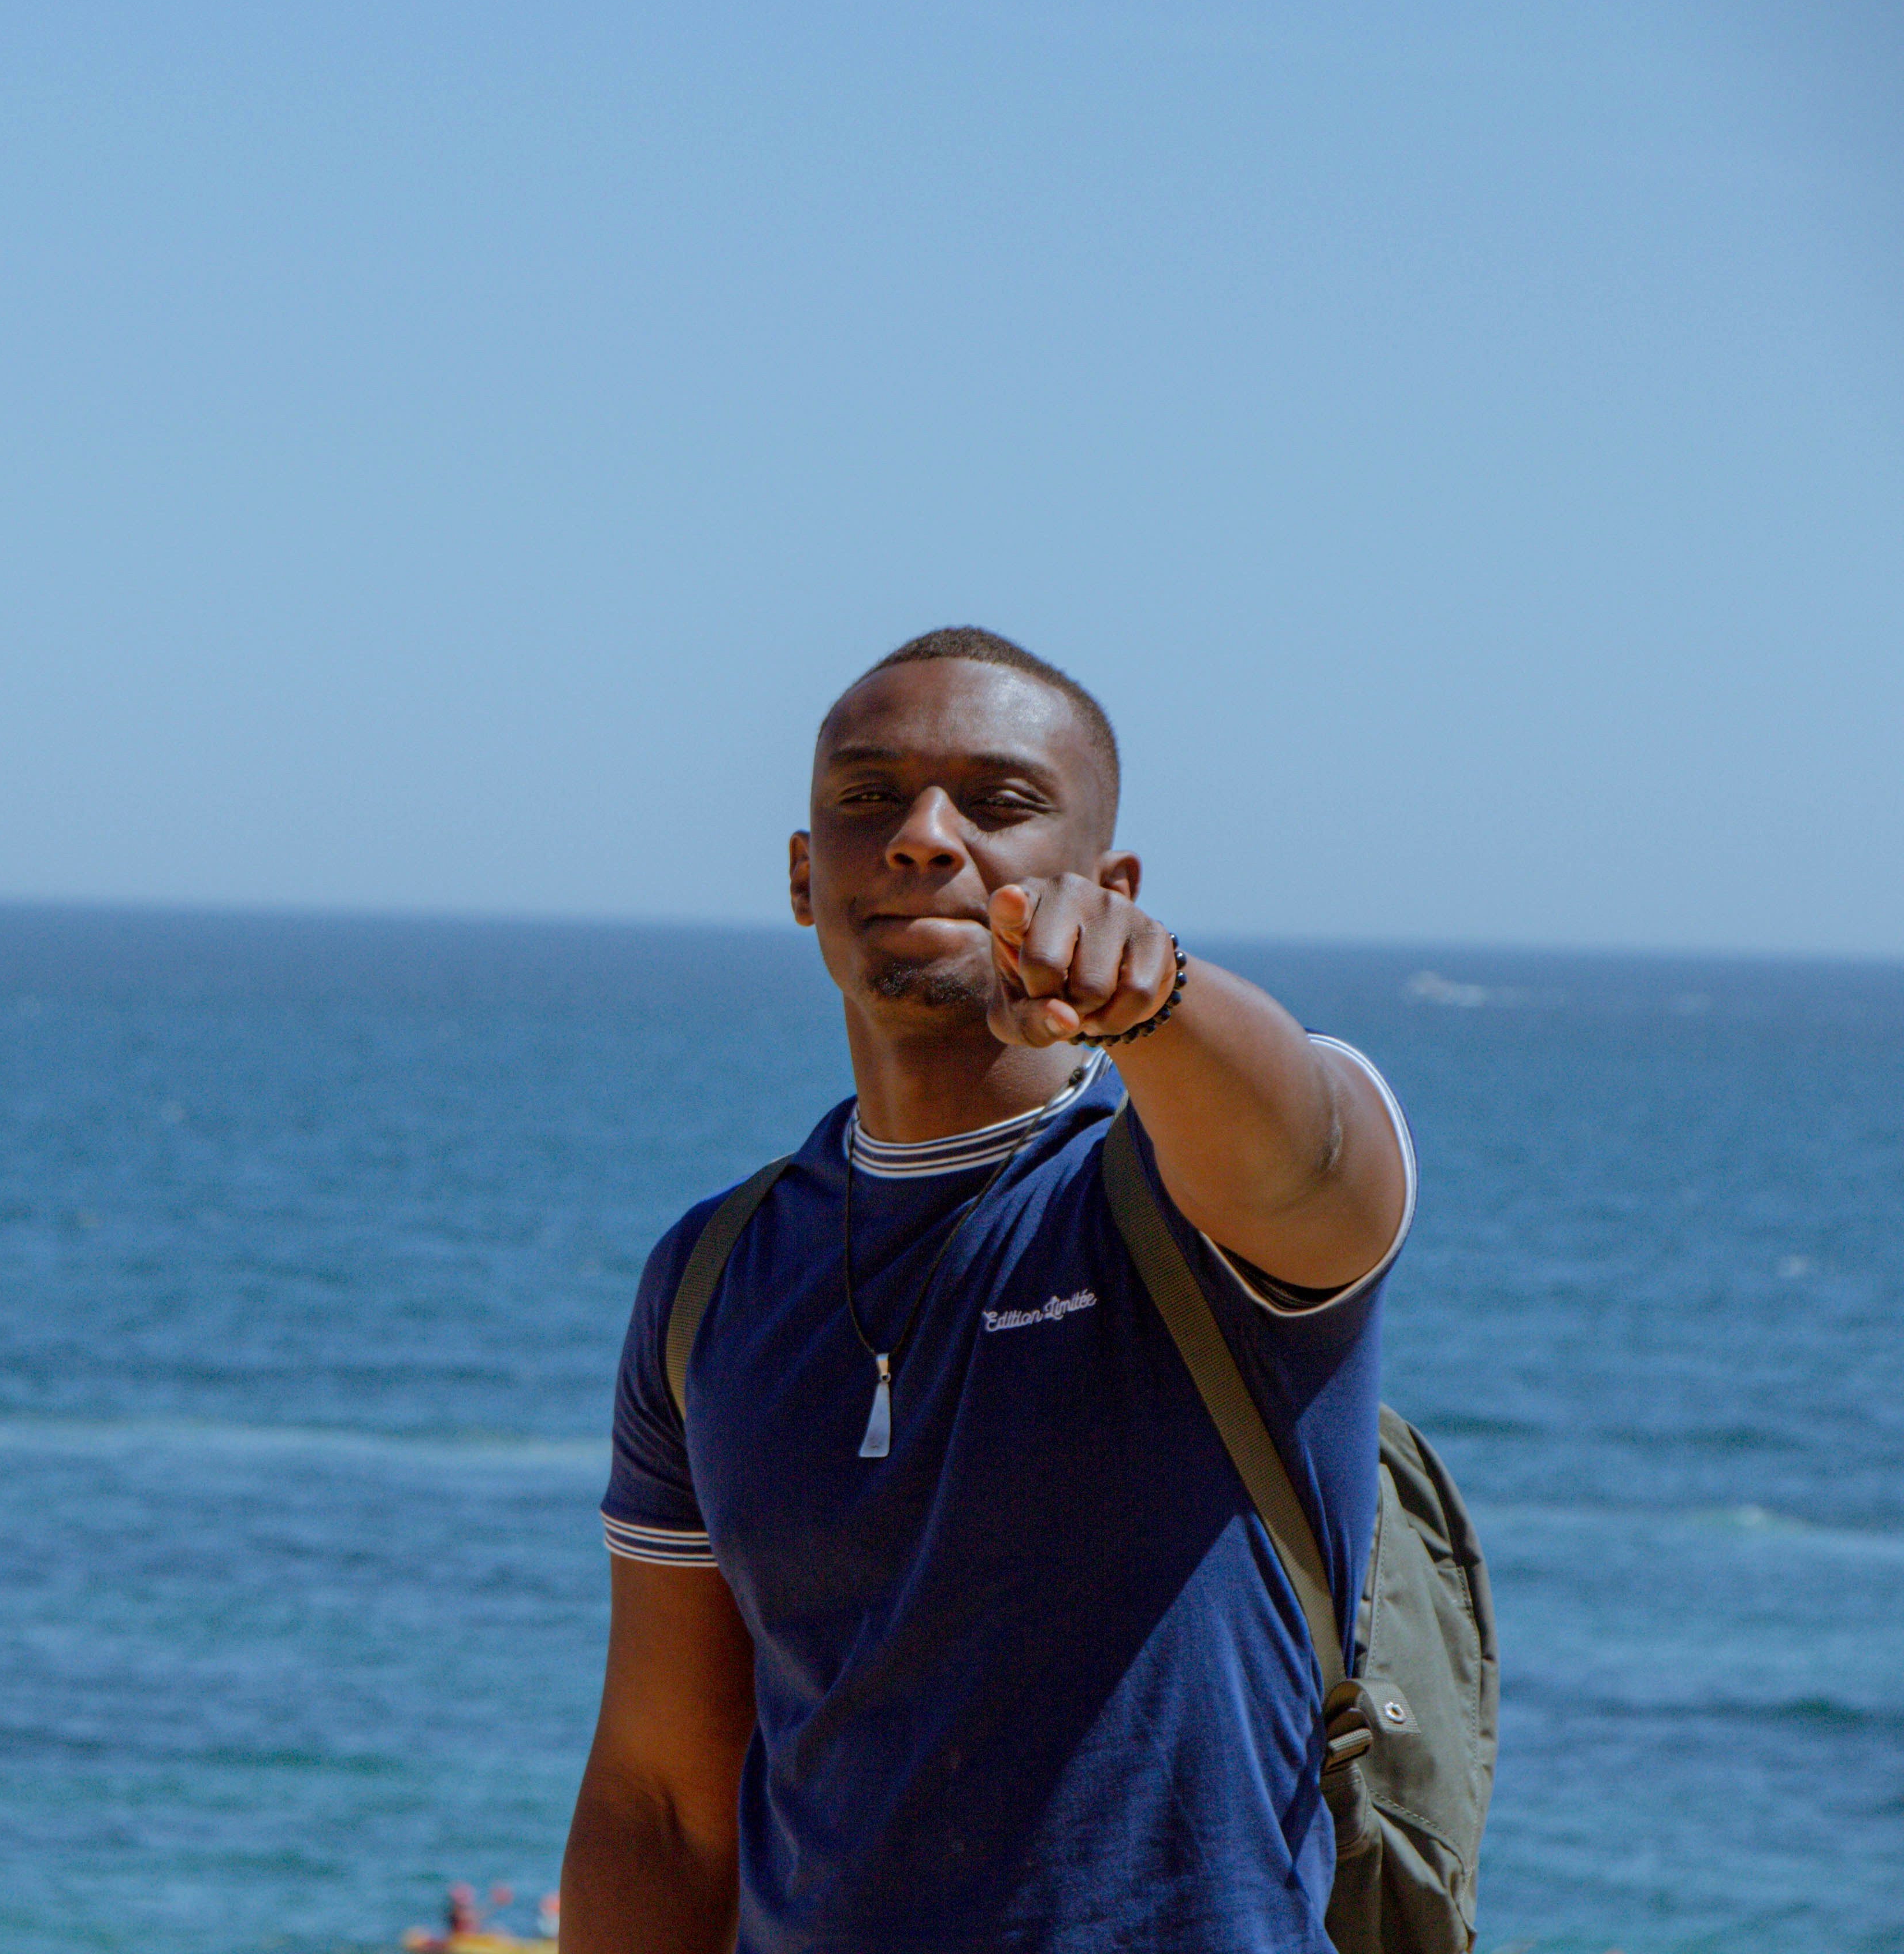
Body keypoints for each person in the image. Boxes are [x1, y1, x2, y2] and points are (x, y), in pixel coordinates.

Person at [560, 630, 1414, 1952]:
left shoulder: (1190, 1192)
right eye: (868, 799)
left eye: (1000, 804)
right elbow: (661, 1801)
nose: (924, 838)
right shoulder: (712, 1278)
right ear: (803, 875)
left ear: (1109, 881)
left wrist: (1159, 1001)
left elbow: (1321, 1157)